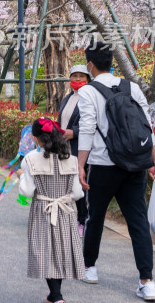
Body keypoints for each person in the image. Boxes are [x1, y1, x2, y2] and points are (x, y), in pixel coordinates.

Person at [76, 41, 155, 300]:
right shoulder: (132, 88)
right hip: (136, 164)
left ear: (90, 65)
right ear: (111, 62)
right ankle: (147, 281)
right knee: (138, 221)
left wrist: (81, 166)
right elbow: (146, 127)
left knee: (95, 217)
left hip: (104, 166)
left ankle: (90, 267)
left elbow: (87, 130)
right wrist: (154, 160)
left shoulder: (88, 92)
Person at [18, 118, 85, 303]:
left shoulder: (30, 159)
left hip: (43, 209)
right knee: (61, 251)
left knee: (45, 251)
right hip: (65, 210)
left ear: (35, 138)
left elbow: (27, 191)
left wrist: (22, 176)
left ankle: (57, 297)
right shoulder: (70, 160)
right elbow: (78, 193)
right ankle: (54, 295)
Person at [57, 64, 92, 235]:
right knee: (65, 182)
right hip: (64, 147)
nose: (77, 79)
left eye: (81, 76)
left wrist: (74, 132)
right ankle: (67, 217)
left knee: (78, 183)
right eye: (74, 76)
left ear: (88, 79)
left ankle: (82, 220)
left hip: (80, 148)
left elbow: (92, 123)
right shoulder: (67, 98)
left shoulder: (89, 98)